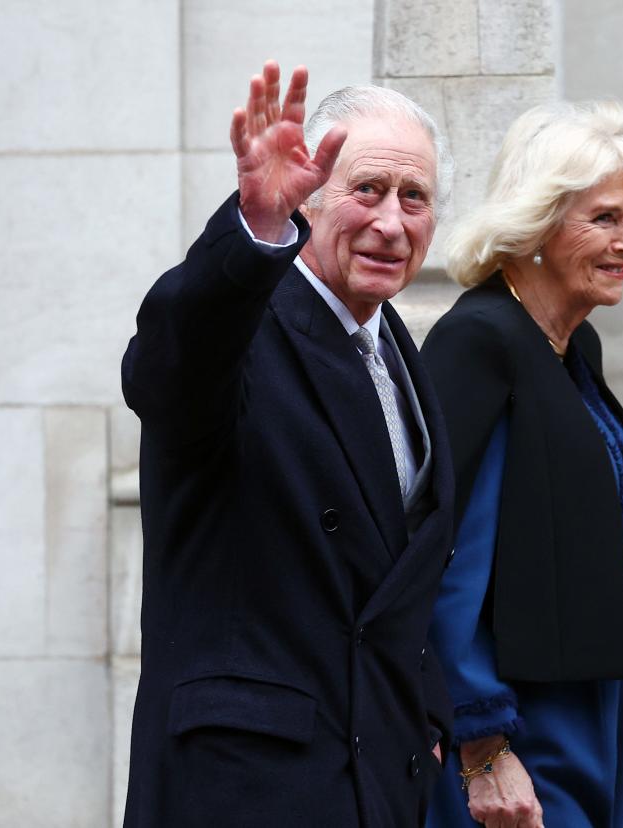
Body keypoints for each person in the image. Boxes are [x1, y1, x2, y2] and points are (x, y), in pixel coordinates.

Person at [121, 60, 458, 827]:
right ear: (311, 196)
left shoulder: (397, 348)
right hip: (247, 789)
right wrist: (255, 230)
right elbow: (168, 366)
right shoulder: (245, 326)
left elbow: (395, 590)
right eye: (366, 190)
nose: (391, 221)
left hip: (374, 782)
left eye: (416, 198)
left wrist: (430, 720)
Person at [421, 100, 623, 828]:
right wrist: (483, 741)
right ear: (535, 224)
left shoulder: (571, 349)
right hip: (525, 717)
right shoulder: (480, 342)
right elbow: (447, 565)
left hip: (595, 693)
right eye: (605, 218)